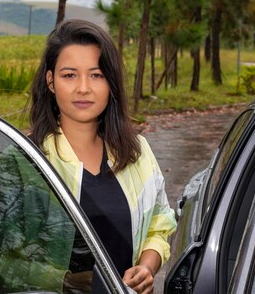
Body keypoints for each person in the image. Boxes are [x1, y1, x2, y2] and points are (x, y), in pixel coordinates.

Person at [29, 19, 177, 294]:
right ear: (51, 81)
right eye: (69, 75)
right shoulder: (29, 160)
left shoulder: (137, 152)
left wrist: (147, 267)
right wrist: (64, 282)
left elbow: (160, 223)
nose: (83, 88)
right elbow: (0, 255)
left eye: (96, 75)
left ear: (111, 82)